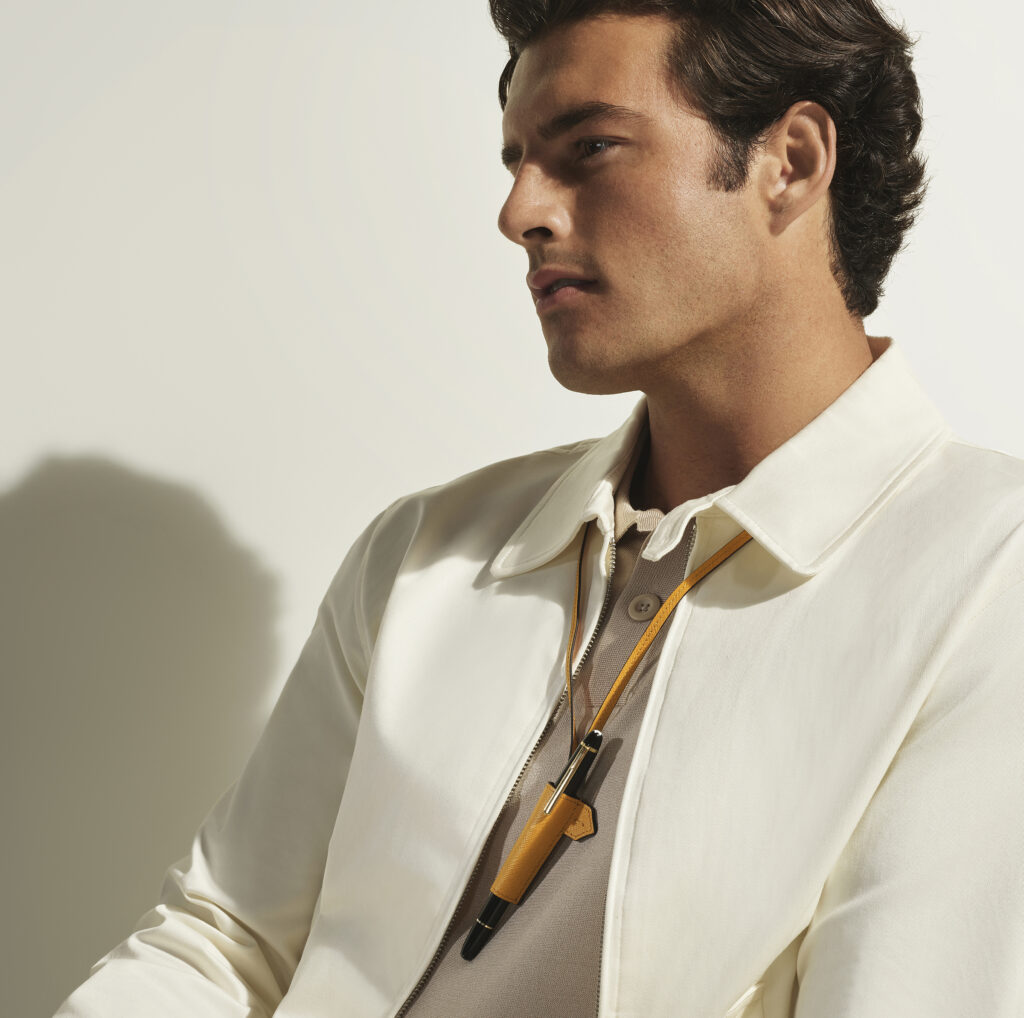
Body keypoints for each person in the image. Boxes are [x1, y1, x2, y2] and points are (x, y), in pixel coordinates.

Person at [56, 2, 1024, 1016]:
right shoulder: (425, 551)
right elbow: (225, 945)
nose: (519, 211)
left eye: (589, 148)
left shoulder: (986, 576)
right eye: (517, 160)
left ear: (790, 161)